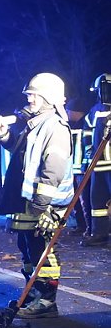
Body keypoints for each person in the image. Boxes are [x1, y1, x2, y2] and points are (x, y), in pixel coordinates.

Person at [0, 73, 74, 318]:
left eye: (33, 95)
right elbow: (21, 154)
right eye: (29, 95)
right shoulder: (36, 123)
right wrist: (5, 135)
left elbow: (53, 170)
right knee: (27, 248)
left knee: (43, 250)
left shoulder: (54, 127)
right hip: (29, 201)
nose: (29, 99)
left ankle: (47, 301)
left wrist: (42, 205)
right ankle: (35, 292)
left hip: (45, 204)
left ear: (48, 97)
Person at [82, 73, 111, 247]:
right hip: (98, 165)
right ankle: (99, 233)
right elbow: (87, 133)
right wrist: (88, 153)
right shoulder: (94, 111)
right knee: (97, 201)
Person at [66, 99, 92, 237]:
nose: (67, 113)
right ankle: (81, 225)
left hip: (82, 169)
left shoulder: (86, 124)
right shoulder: (71, 125)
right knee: (76, 200)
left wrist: (85, 164)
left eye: (68, 111)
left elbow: (88, 146)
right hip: (73, 169)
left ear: (75, 111)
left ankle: (88, 227)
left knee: (84, 200)